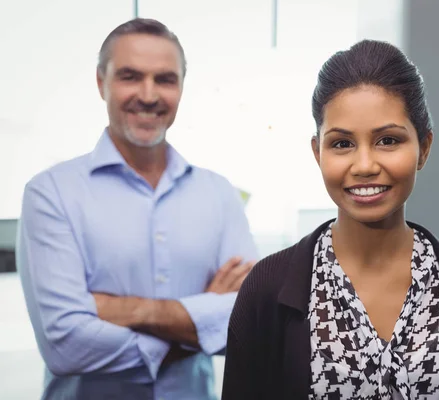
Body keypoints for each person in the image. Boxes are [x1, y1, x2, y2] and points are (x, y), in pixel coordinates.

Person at [222, 39, 439, 400]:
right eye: (342, 144)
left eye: (388, 140)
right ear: (318, 153)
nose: (364, 166)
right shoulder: (266, 289)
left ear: (423, 148)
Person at [16, 18, 258, 400]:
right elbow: (65, 344)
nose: (148, 95)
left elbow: (249, 325)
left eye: (165, 79)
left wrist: (129, 311)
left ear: (181, 87)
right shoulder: (51, 194)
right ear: (101, 82)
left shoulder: (218, 193)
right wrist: (202, 318)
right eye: (130, 76)